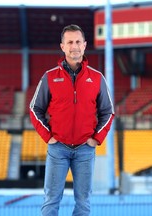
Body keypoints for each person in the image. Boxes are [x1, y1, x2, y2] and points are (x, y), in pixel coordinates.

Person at [29, 24, 115, 216]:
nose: (74, 46)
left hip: (85, 149)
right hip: (58, 148)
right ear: (62, 46)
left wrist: (95, 139)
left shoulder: (97, 78)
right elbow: (35, 108)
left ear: (84, 45)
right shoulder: (50, 77)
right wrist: (49, 137)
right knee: (51, 200)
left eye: (77, 42)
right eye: (70, 42)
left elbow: (108, 112)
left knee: (83, 202)